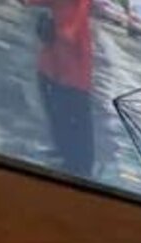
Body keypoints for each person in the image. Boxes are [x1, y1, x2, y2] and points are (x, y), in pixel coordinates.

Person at [23, 0, 96, 177]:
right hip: (55, 51)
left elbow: (83, 8)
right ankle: (64, 150)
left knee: (73, 108)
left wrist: (70, 31)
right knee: (55, 102)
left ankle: (79, 162)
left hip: (72, 56)